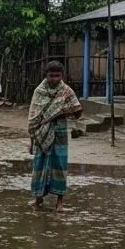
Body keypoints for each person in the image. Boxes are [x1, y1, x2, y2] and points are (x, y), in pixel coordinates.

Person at [28, 61, 84, 211]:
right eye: (51, 75)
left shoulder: (66, 91)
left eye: (57, 75)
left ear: (62, 76)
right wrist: (31, 139)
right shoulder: (39, 91)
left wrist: (62, 111)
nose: (54, 79)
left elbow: (78, 111)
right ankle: (38, 198)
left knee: (59, 164)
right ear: (46, 76)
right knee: (39, 164)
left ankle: (60, 201)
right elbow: (33, 118)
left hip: (60, 131)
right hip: (41, 132)